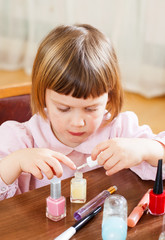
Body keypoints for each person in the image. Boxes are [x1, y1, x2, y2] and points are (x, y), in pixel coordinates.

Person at [0, 24, 165, 200]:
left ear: (108, 97)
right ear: (43, 96)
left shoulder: (119, 130)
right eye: (64, 108)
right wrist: (14, 163)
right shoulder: (20, 139)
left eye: (91, 109)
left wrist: (146, 149)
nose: (78, 122)